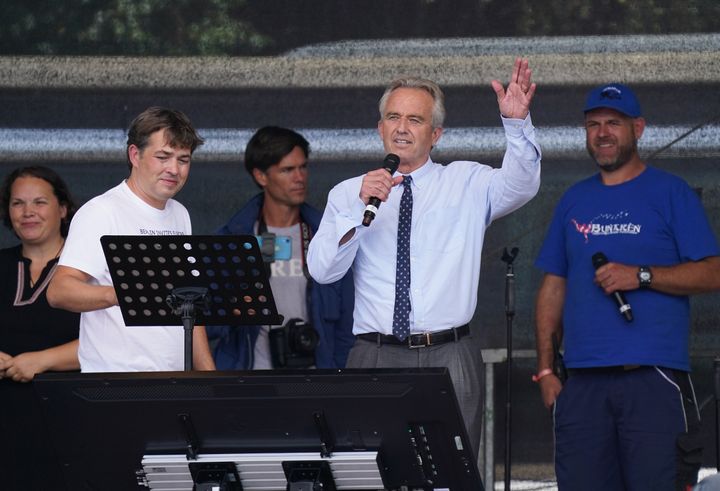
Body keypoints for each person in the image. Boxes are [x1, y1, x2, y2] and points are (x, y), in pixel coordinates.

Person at [307, 58, 541, 456]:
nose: (401, 128)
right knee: (371, 472)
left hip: (448, 353)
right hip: (374, 353)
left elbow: (522, 184)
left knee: (451, 471)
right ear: (379, 129)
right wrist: (357, 212)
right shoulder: (349, 192)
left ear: (435, 134)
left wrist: (517, 127)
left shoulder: (465, 181)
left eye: (415, 120)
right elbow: (323, 271)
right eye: (393, 117)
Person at [533, 83, 720, 490]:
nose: (602, 133)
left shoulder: (671, 193)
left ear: (638, 128)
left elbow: (712, 272)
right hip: (582, 383)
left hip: (653, 379)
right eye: (593, 124)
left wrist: (643, 275)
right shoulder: (573, 199)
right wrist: (547, 368)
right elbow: (553, 284)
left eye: (613, 124)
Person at [47, 106, 216, 372]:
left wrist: (209, 376)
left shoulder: (179, 213)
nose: (174, 169)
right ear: (135, 155)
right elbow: (59, 291)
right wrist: (125, 293)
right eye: (163, 157)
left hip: (175, 380)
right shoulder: (101, 211)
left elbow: (190, 304)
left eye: (183, 160)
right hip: (117, 382)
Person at [207, 126, 354, 370]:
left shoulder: (327, 237)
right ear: (261, 176)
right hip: (249, 381)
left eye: (303, 167)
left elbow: (347, 324)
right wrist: (235, 307)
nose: (299, 177)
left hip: (314, 378)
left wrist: (335, 377)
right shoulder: (233, 240)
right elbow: (206, 324)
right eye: (287, 170)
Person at [0, 166, 80, 490]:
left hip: (67, 422)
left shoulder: (87, 269)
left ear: (62, 209)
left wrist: (42, 360)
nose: (28, 212)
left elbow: (113, 340)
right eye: (18, 203)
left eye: (39, 202)